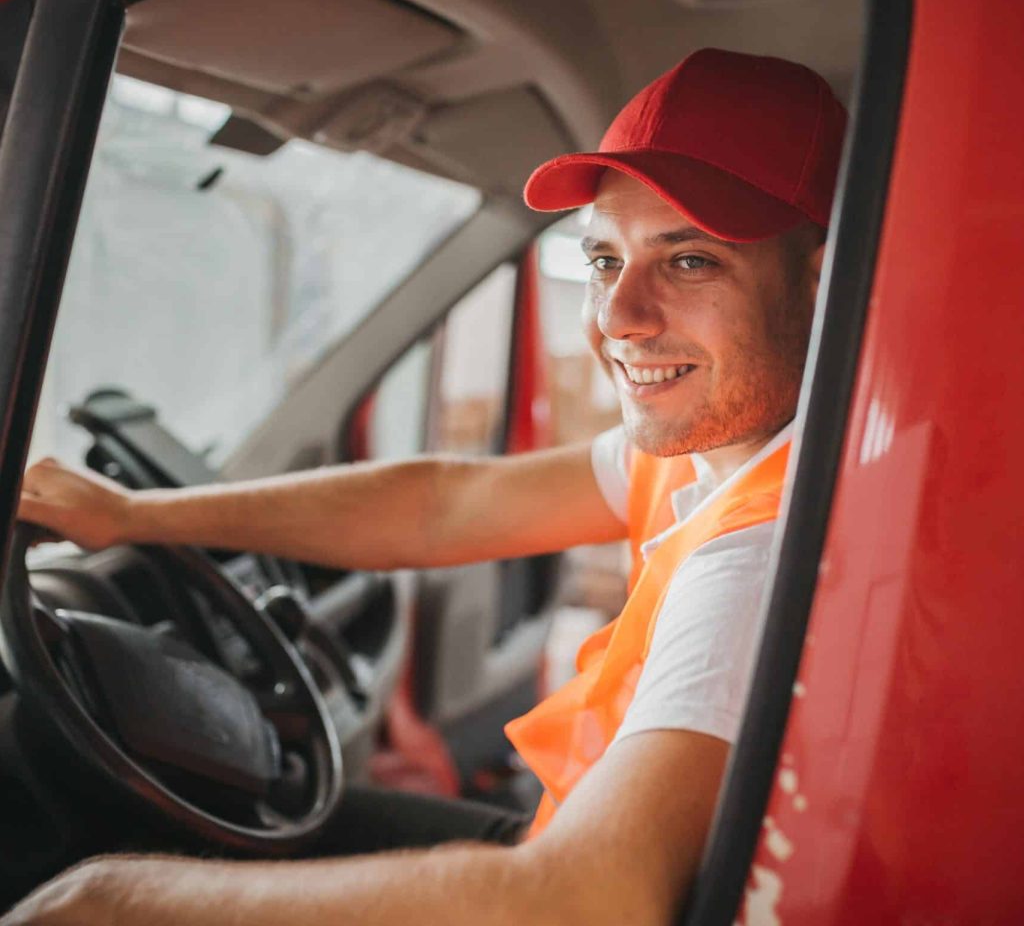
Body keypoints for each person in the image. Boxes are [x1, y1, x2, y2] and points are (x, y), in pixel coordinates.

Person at [3, 48, 845, 925]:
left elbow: (590, 897)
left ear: (821, 284)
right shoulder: (723, 452)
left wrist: (109, 906)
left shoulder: (759, 555)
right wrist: (133, 513)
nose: (617, 317)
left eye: (691, 262)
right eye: (602, 260)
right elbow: (445, 505)